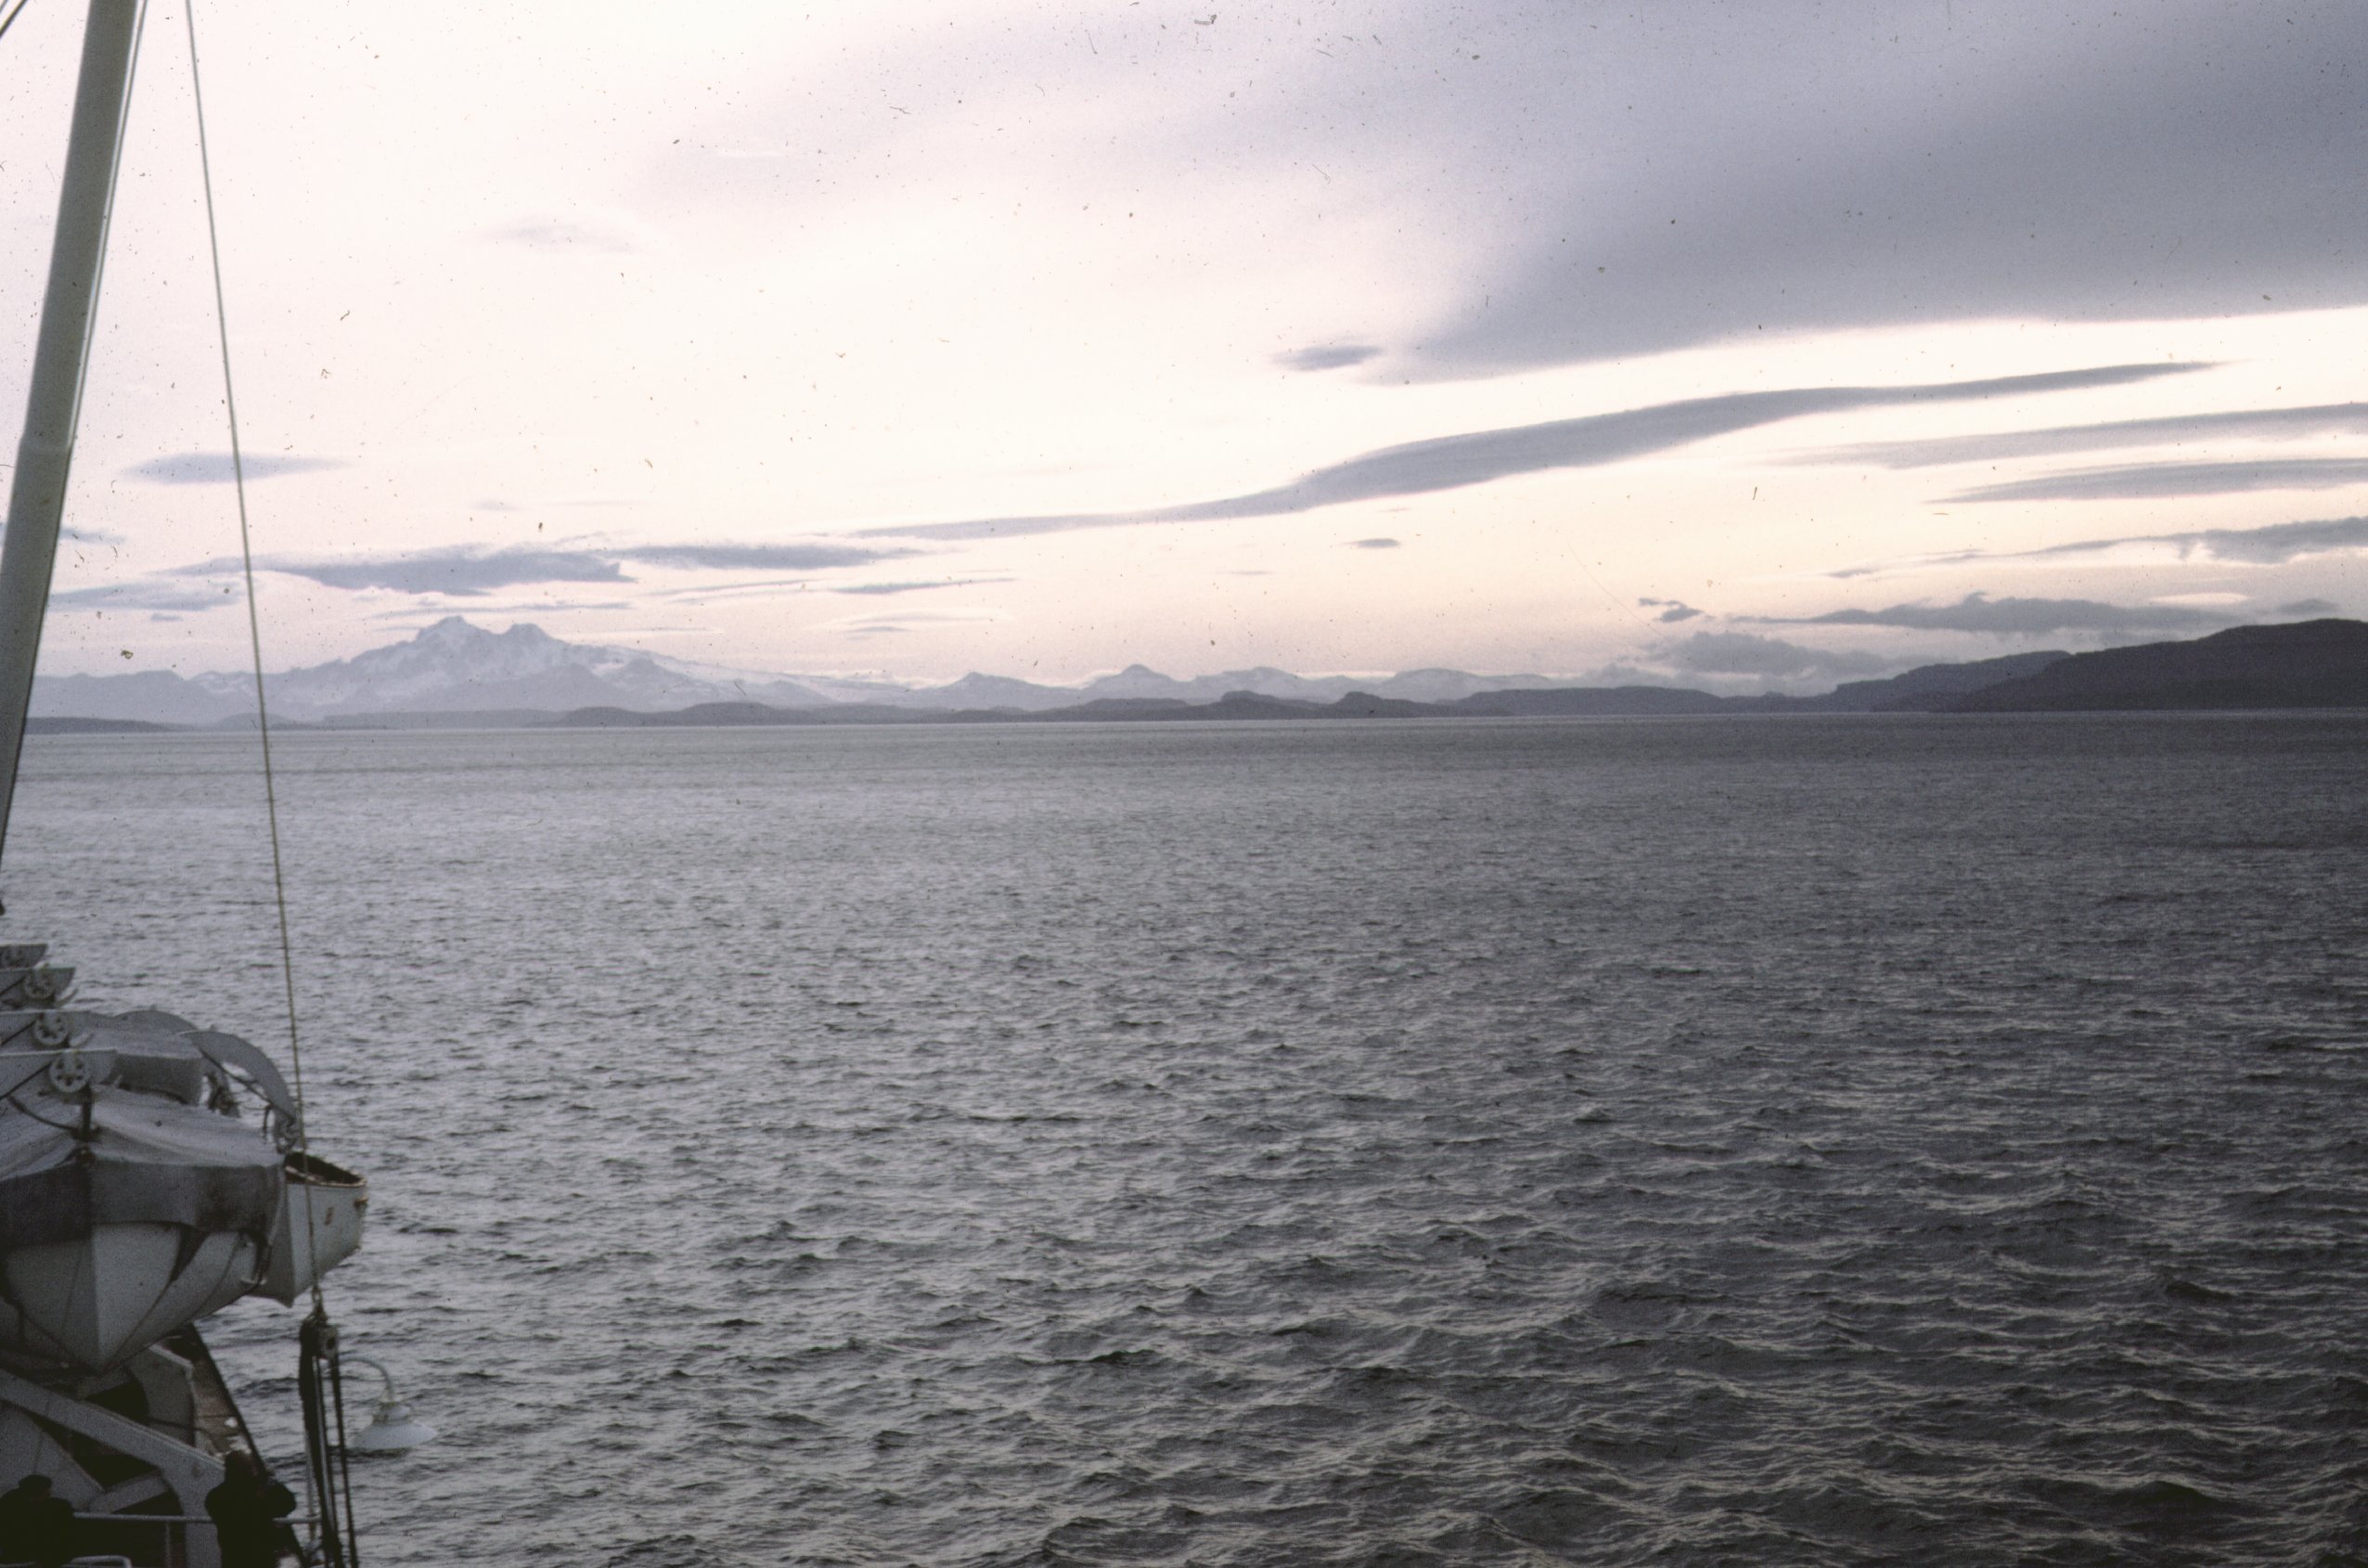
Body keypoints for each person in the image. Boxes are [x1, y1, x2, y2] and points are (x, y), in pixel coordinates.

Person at [203, 1452, 298, 1568]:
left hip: (232, 1557)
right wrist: (271, 1483)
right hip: (262, 1557)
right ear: (249, 1469)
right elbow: (289, 1503)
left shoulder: (214, 1496)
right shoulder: (258, 1494)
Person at [0, 1473, 77, 1568]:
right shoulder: (10, 1505)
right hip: (21, 1556)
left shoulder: (57, 1511)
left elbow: (65, 1541)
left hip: (29, 1557)